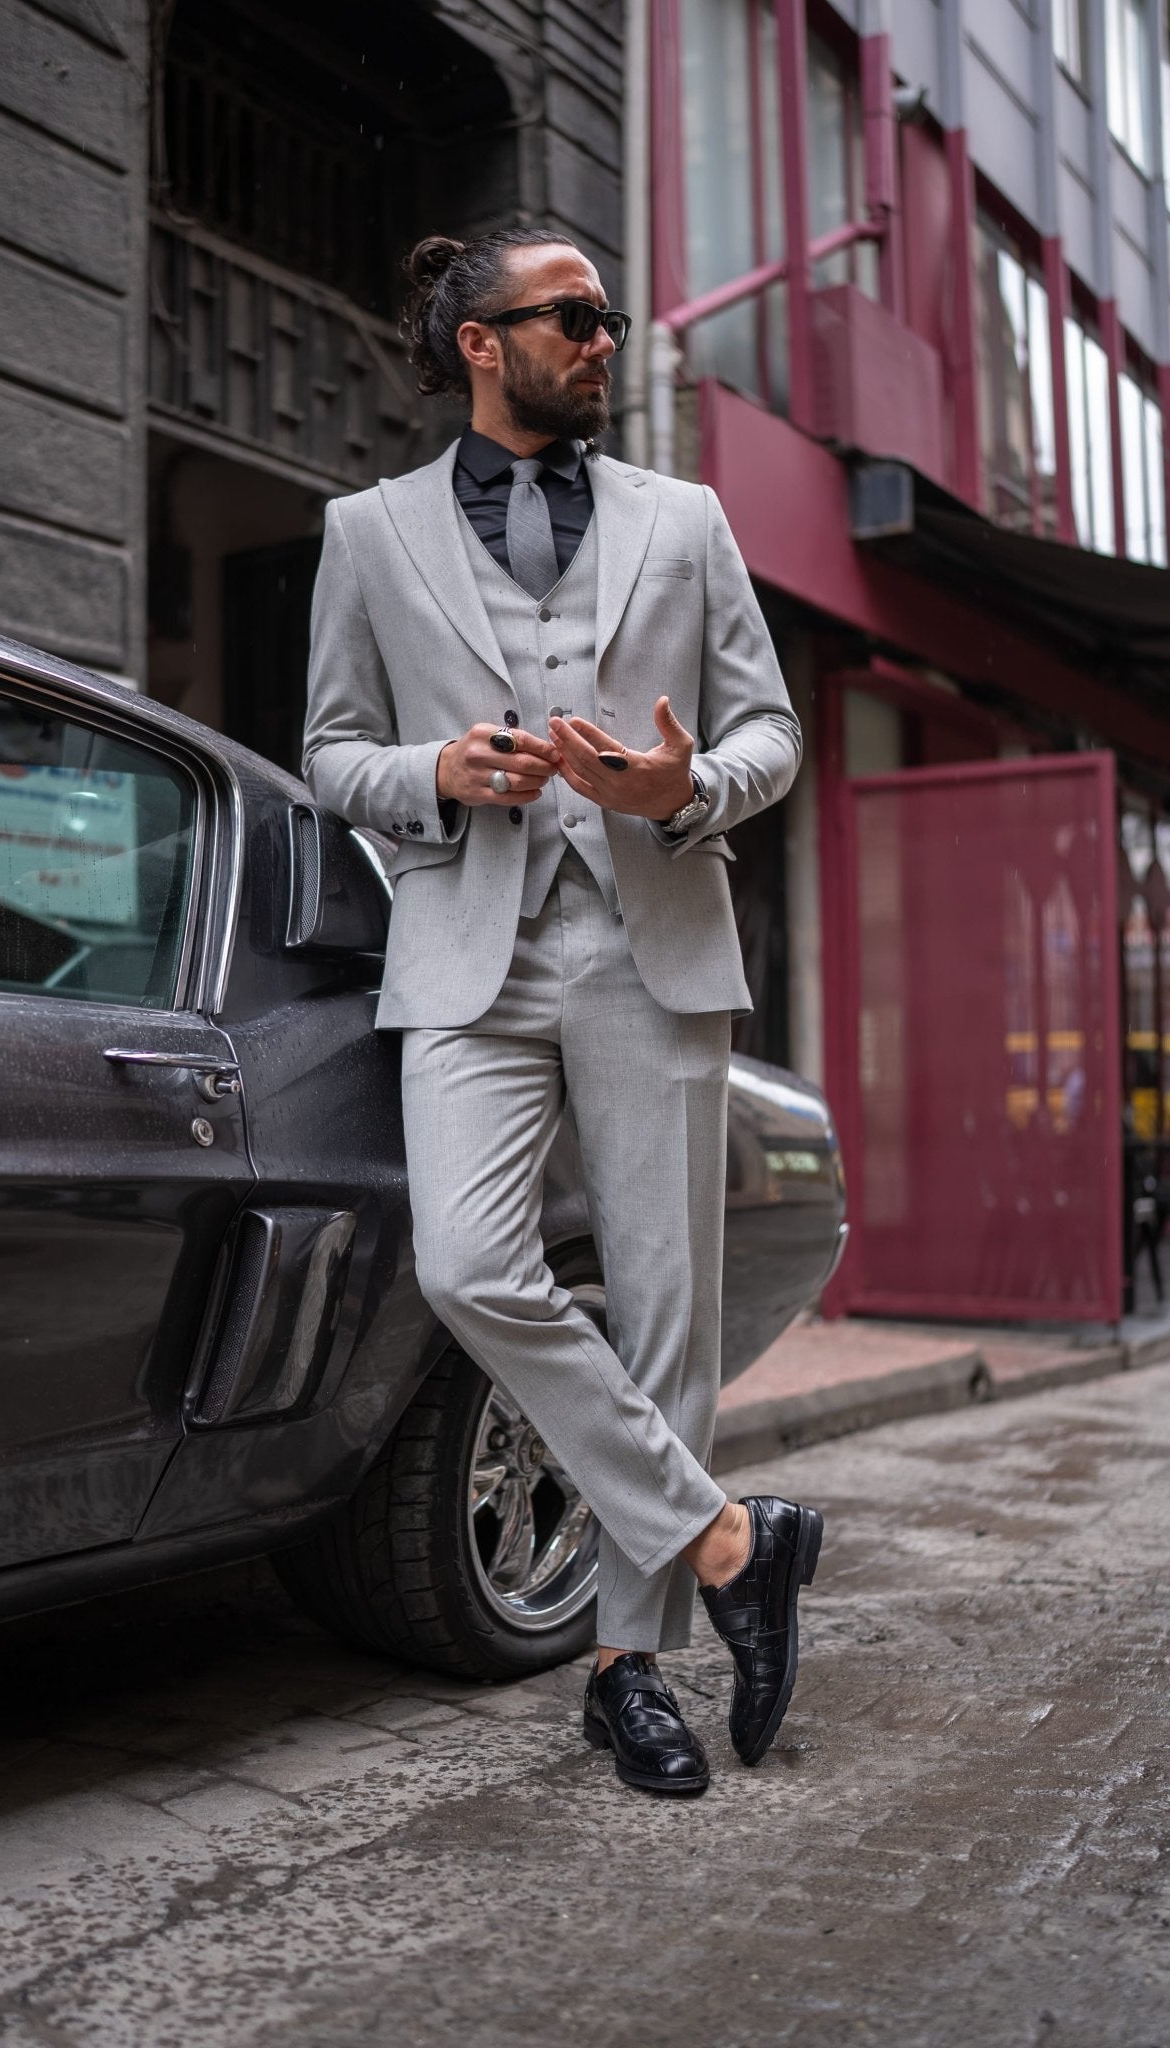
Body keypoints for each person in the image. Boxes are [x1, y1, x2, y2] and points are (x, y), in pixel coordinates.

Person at [303, 226, 822, 1796]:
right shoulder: (367, 533)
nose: (604, 340)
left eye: (607, 319)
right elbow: (333, 749)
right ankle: (734, 1540)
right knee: (469, 1261)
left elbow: (772, 730)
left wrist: (687, 787)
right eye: (574, 318)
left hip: (648, 939)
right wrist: (434, 776)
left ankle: (627, 1665)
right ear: (481, 341)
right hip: (468, 945)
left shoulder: (686, 519)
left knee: (667, 1314)